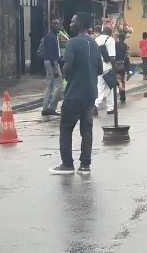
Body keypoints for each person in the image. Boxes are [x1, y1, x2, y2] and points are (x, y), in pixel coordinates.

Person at [51, 12, 102, 175]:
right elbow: (100, 69)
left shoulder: (72, 43)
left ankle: (67, 164)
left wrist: (65, 75)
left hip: (74, 94)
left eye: (72, 22)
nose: (70, 24)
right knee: (86, 130)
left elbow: (67, 67)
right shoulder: (94, 44)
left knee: (66, 129)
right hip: (91, 94)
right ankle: (85, 165)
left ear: (79, 24)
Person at [42, 19, 63, 116]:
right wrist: (54, 67)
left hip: (48, 61)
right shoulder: (50, 37)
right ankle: (52, 107)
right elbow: (50, 52)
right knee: (59, 84)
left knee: (49, 85)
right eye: (54, 24)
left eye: (57, 24)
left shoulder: (53, 36)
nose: (56, 26)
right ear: (51, 25)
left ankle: (45, 108)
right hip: (52, 62)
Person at [94, 26, 116, 115]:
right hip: (107, 67)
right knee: (111, 87)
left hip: (98, 67)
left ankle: (95, 104)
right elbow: (111, 56)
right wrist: (114, 67)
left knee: (100, 87)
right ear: (110, 33)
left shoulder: (96, 39)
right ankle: (110, 108)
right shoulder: (110, 40)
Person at [114, 32, 130, 103]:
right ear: (124, 39)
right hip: (122, 65)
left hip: (115, 65)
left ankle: (121, 90)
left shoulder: (115, 45)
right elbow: (127, 57)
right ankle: (122, 95)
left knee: (117, 79)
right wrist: (128, 68)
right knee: (122, 80)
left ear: (118, 37)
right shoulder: (126, 46)